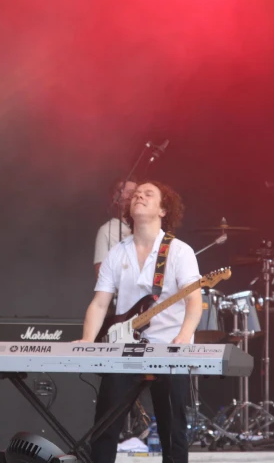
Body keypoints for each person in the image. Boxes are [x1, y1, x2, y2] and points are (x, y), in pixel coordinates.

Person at [79, 181, 203, 463]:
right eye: (136, 194)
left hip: (169, 348)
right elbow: (100, 303)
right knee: (104, 426)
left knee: (173, 432)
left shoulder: (179, 251)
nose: (139, 196)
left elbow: (194, 302)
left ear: (162, 209)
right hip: (125, 347)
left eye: (148, 194)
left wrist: (183, 336)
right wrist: (87, 340)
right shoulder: (117, 252)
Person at [94, 179, 138, 278]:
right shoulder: (107, 230)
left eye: (135, 192)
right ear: (116, 197)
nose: (132, 196)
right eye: (128, 192)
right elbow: (101, 276)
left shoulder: (147, 227)